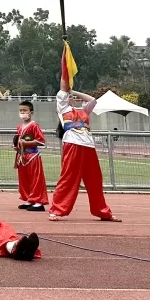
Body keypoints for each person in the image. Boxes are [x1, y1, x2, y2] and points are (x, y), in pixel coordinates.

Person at [49, 77, 121, 222]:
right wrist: (66, 85)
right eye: (68, 96)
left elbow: (93, 100)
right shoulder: (62, 109)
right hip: (72, 144)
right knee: (68, 178)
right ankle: (57, 210)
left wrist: (74, 91)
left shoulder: (84, 111)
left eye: (71, 97)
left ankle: (102, 212)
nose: (70, 98)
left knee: (95, 180)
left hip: (88, 146)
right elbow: (63, 90)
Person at [14, 101, 48, 211]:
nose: (22, 112)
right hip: (22, 157)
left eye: (25, 110)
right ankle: (29, 198)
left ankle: (38, 202)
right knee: (24, 180)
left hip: (33, 156)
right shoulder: (19, 127)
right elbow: (18, 140)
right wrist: (18, 147)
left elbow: (41, 141)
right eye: (20, 110)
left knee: (35, 179)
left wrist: (25, 143)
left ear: (31, 112)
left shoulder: (34, 125)